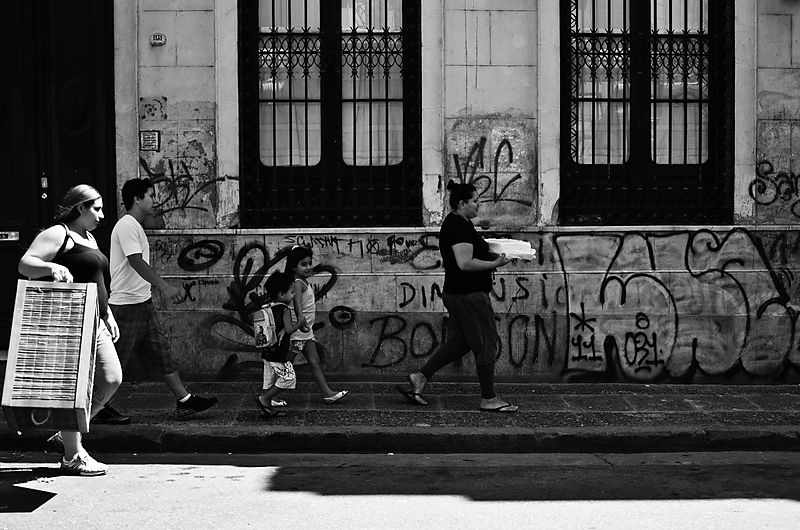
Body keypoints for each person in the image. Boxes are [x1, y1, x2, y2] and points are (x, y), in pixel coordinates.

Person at [19, 185, 123, 476]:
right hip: (70, 322)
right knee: (74, 389)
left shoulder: (89, 237)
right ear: (80, 208)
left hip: (96, 320)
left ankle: (67, 434)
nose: (102, 215)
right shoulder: (58, 234)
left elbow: (96, 278)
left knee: (112, 379)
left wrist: (108, 313)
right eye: (96, 209)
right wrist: (50, 268)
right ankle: (72, 454)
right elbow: (25, 264)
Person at [395, 180, 517, 412]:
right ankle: (489, 398)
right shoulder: (458, 225)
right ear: (462, 203)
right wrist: (496, 263)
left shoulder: (460, 223)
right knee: (486, 344)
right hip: (469, 295)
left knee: (460, 343)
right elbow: (465, 263)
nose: (479, 205)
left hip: (458, 293)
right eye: (475, 201)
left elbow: (468, 253)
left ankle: (420, 377)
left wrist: (490, 249)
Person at [104, 178, 217, 420]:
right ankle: (98, 406)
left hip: (142, 303)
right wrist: (165, 286)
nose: (154, 200)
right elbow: (135, 261)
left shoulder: (135, 226)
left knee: (161, 353)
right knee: (114, 360)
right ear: (137, 198)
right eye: (151, 195)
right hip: (126, 306)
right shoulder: (126, 225)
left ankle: (184, 400)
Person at [284, 246, 348, 403]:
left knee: (314, 361)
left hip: (306, 332)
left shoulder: (302, 281)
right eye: (303, 264)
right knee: (285, 364)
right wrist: (301, 320)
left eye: (309, 263)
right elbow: (297, 303)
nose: (308, 267)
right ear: (293, 267)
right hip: (299, 331)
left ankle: (327, 393)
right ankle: (269, 395)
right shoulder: (297, 282)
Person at [254, 271, 306, 418]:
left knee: (270, 380)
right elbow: (289, 329)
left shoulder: (268, 307)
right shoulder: (284, 309)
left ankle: (267, 408)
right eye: (291, 292)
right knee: (289, 378)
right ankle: (264, 399)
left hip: (267, 351)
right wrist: (300, 322)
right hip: (278, 353)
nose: (294, 295)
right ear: (282, 295)